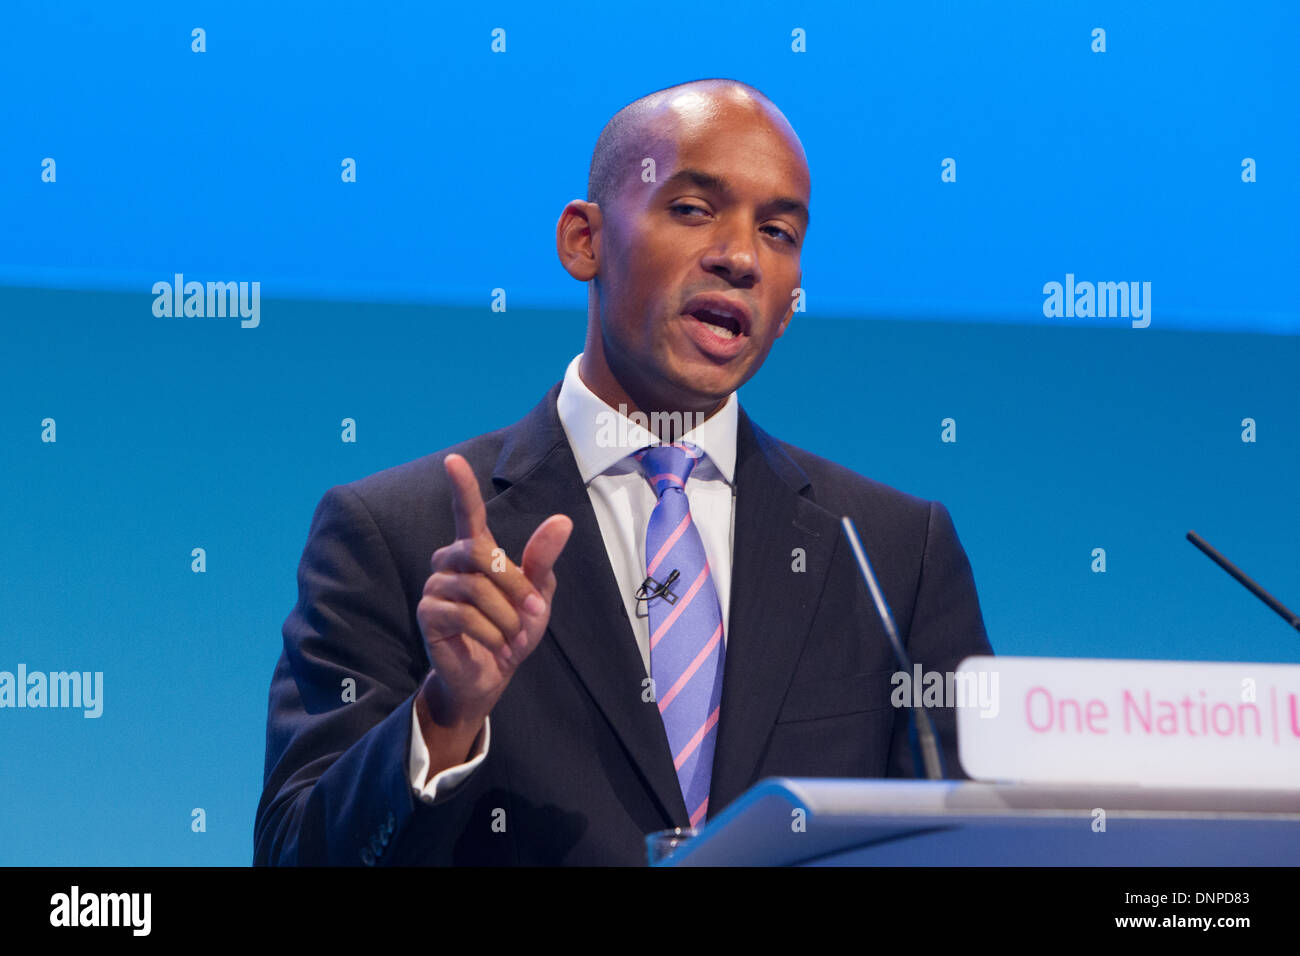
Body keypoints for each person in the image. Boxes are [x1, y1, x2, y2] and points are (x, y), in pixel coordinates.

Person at [254, 78, 993, 866]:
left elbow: (977, 849)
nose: (740, 256)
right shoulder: (395, 535)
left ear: (790, 301)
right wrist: (445, 715)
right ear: (585, 241)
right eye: (693, 209)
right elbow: (296, 856)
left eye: (778, 231)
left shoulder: (891, 555)